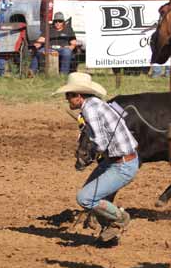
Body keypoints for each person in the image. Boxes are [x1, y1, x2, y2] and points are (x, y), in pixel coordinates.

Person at [54, 72, 139, 242]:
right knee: (91, 197)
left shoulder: (90, 110)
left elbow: (100, 143)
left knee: (85, 198)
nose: (67, 99)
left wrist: (88, 148)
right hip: (122, 160)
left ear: (78, 96)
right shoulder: (97, 103)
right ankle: (110, 232)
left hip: (121, 165)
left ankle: (120, 218)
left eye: (69, 95)